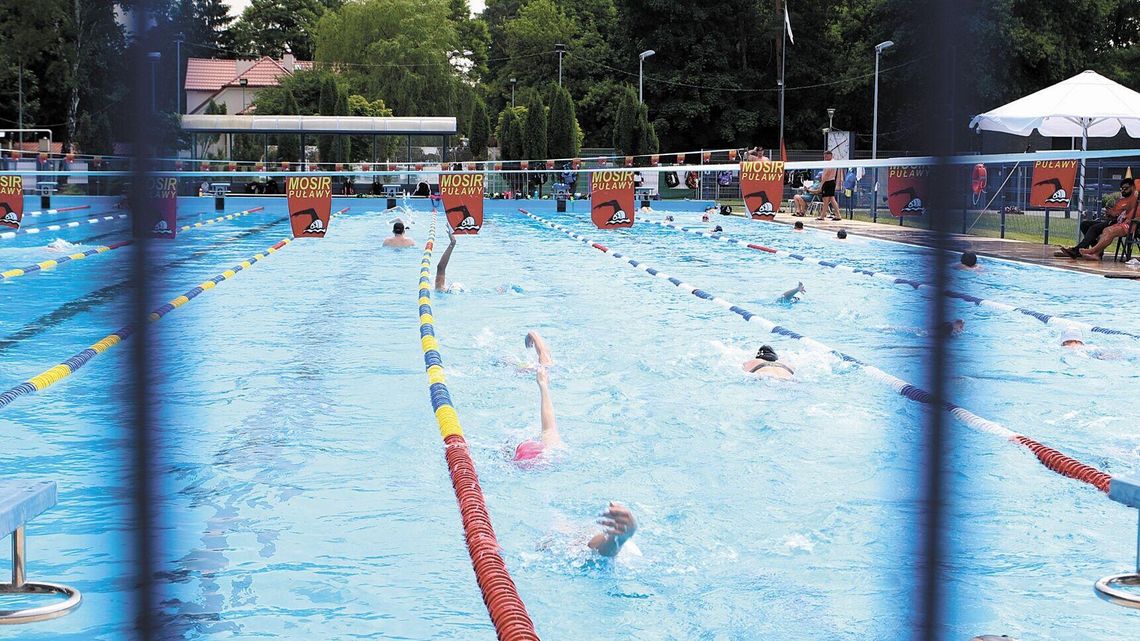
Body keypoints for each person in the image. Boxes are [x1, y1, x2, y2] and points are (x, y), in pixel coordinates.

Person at [513, 331, 564, 462]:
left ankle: (533, 335)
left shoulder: (551, 448)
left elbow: (548, 429)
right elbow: (548, 428)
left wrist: (543, 385)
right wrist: (543, 385)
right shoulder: (551, 448)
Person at [1059, 179, 1137, 258]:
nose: (1123, 191)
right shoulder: (1121, 200)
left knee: (1094, 228)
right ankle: (1096, 249)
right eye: (1121, 189)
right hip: (1114, 221)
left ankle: (1077, 250)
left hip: (1121, 224)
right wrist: (1110, 214)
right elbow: (1116, 214)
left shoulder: (1134, 198)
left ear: (1133, 187)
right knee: (1085, 224)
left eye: (1126, 188)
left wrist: (1115, 214)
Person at [1079, 191, 1138, 260]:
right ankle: (1096, 254)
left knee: (1109, 231)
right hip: (1121, 222)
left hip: (1133, 225)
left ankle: (1092, 251)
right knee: (1105, 230)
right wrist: (1113, 214)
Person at [815, 151, 841, 221]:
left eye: (826, 156)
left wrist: (821, 185)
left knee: (826, 200)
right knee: (832, 199)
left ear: (830, 155)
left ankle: (822, 216)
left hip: (828, 182)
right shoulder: (833, 162)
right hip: (831, 182)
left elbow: (826, 175)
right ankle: (838, 215)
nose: (825, 158)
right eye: (824, 157)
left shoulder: (830, 163)